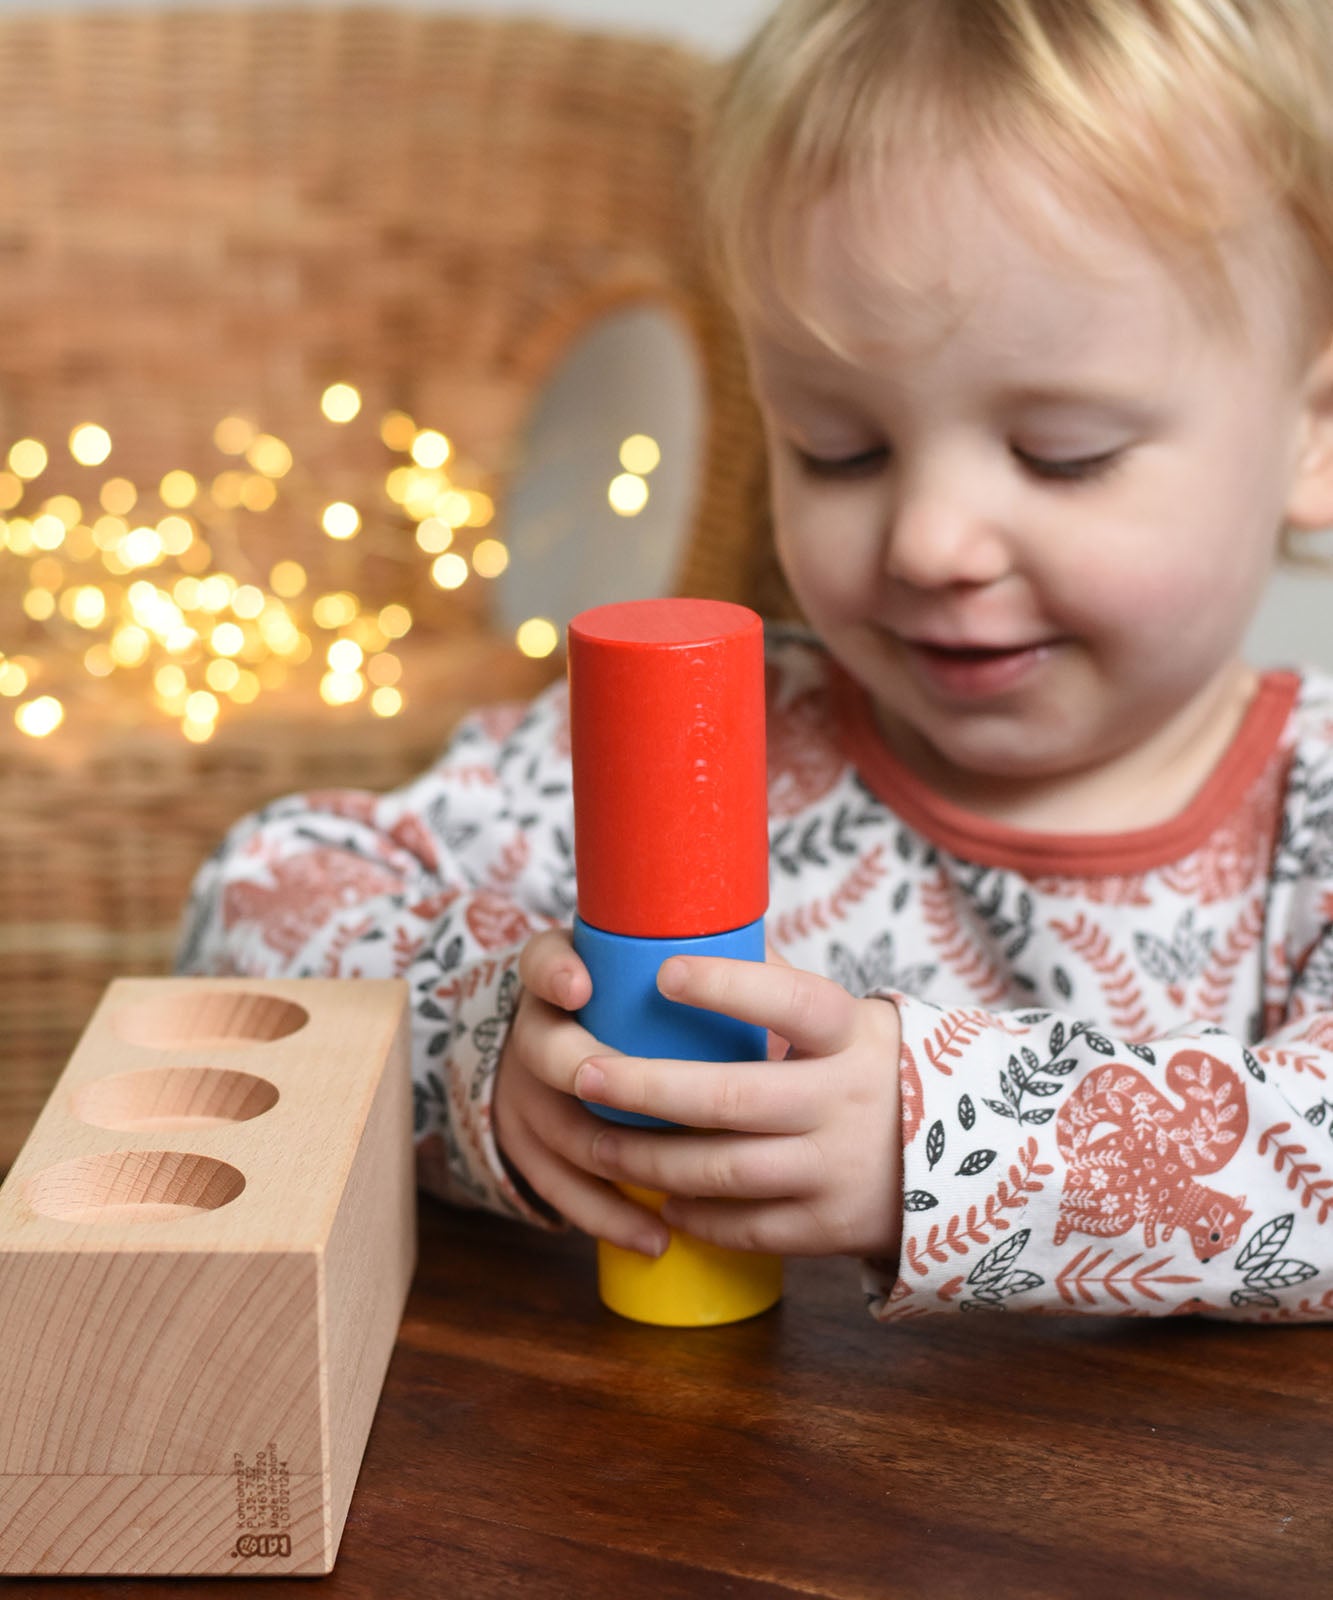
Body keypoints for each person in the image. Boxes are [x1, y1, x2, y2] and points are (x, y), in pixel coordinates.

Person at [178, 0, 1333, 1320]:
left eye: (1060, 452)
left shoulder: (1311, 813)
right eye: (838, 447)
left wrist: (941, 1146)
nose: (932, 541)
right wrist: (485, 1042)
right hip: (666, 1498)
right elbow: (247, 921)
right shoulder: (695, 740)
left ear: (1311, 435)